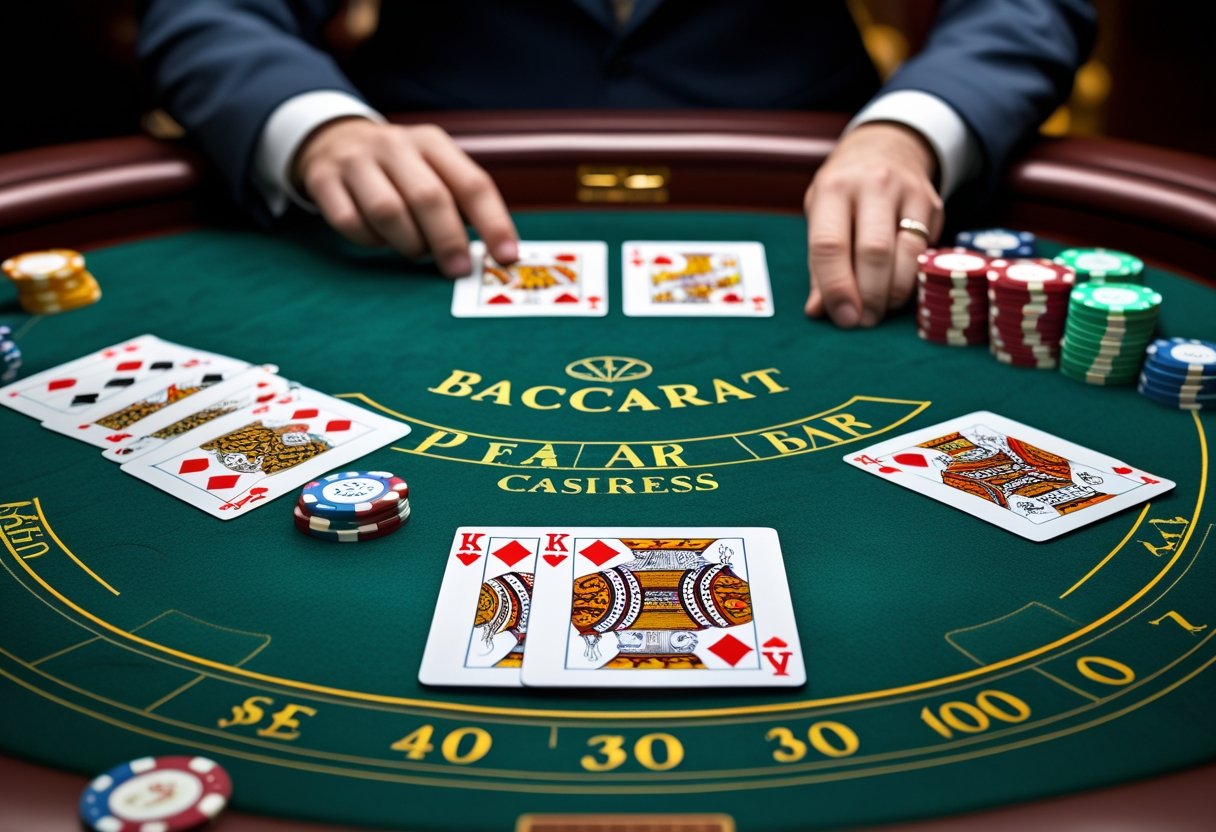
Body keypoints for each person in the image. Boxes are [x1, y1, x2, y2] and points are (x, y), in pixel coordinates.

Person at [137, 0, 1096, 328]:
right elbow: (210, 11)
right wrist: (322, 130)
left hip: (808, 194)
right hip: (424, 213)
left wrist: (910, 130)